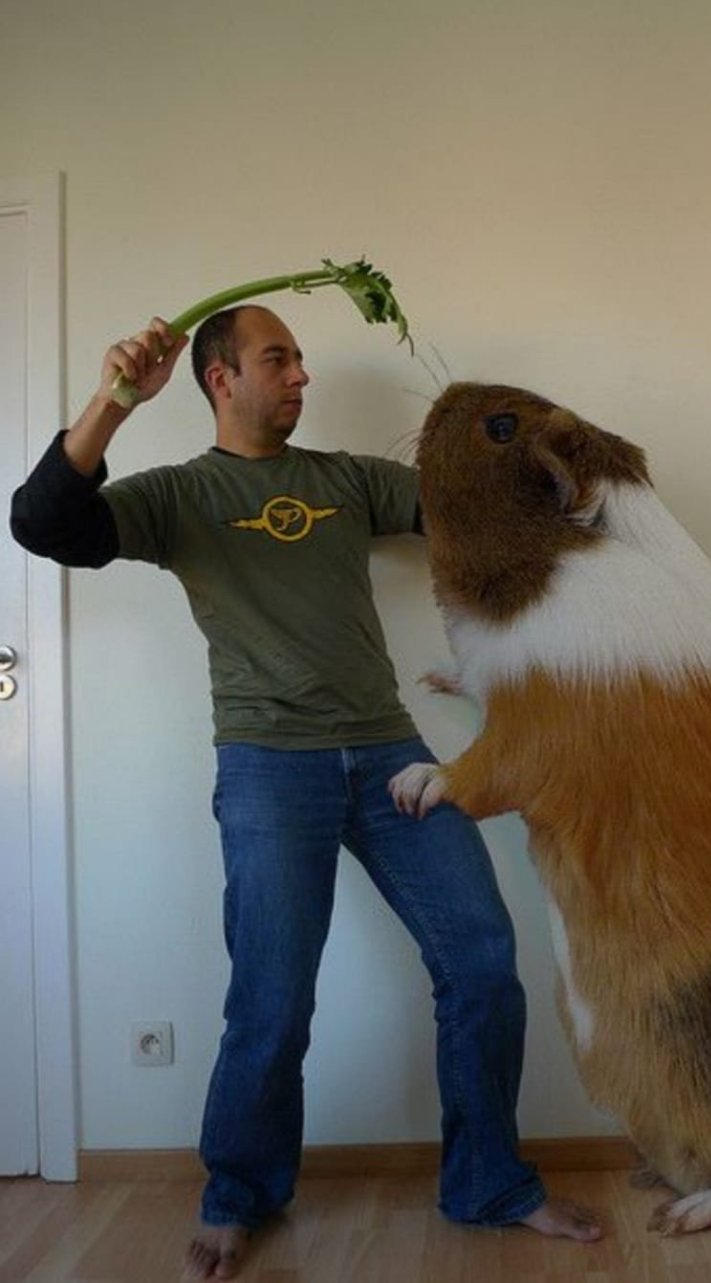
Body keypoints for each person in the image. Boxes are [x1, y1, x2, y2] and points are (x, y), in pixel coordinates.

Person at [9, 307, 603, 1279]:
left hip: (389, 755)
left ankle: (489, 1183)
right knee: (273, 1000)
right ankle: (239, 1195)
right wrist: (114, 401)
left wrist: (555, 463)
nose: (300, 376)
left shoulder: (344, 480)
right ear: (220, 379)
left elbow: (465, 509)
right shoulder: (180, 496)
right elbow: (43, 524)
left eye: (298, 359)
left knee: (482, 962)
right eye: (277, 359)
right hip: (268, 766)